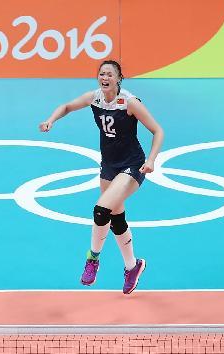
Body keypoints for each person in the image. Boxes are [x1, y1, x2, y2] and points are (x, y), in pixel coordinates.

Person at [39, 60, 164, 294]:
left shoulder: (129, 102)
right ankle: (132, 266)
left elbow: (158, 131)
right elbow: (66, 106)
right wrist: (50, 120)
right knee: (116, 218)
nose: (104, 77)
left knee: (101, 209)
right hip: (108, 165)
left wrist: (151, 160)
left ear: (118, 79)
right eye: (101, 74)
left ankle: (93, 259)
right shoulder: (94, 97)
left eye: (109, 74)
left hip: (132, 165)